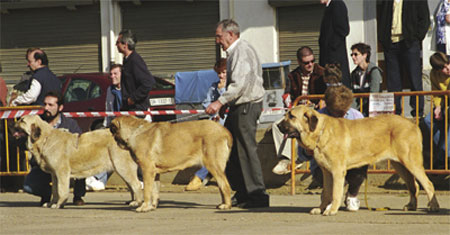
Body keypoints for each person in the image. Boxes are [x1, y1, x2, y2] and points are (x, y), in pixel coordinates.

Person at [206, 19, 269, 208]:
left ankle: (257, 196)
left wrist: (219, 101)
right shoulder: (235, 52)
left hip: (246, 107)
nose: (217, 41)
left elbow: (240, 84)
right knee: (232, 152)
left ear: (230, 35)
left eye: (219, 36)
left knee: (246, 151)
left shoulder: (242, 51)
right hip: (238, 107)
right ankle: (242, 192)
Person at [22, 91, 86, 206]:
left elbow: (80, 145)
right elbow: (26, 145)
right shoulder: (37, 123)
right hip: (44, 167)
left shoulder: (70, 124)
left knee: (81, 161)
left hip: (68, 165)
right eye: (45, 104)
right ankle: (48, 196)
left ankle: (78, 196)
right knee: (28, 185)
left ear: (60, 107)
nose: (46, 108)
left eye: (51, 105)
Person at [272, 46, 327, 175]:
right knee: (276, 126)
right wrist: (289, 102)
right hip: (296, 111)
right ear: (299, 62)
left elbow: (327, 93)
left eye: (312, 61)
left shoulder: (322, 73)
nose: (310, 64)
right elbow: (287, 94)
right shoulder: (292, 75)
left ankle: (301, 157)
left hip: (314, 111)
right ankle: (287, 159)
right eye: (306, 62)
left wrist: (317, 103)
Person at [378, 0, 430, 116]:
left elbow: (425, 19)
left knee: (414, 79)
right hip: (391, 43)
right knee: (393, 82)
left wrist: (416, 38)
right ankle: (395, 113)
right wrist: (383, 37)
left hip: (409, 42)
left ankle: (417, 112)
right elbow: (383, 17)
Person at [185, 58, 227, 191]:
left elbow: (228, 101)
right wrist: (212, 113)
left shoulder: (231, 86)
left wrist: (221, 91)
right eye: (219, 73)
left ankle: (201, 175)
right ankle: (202, 175)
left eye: (224, 72)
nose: (221, 76)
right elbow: (206, 102)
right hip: (215, 124)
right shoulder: (213, 86)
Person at [85, 64, 123, 191]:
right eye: (111, 74)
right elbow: (108, 109)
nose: (112, 77)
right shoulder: (110, 90)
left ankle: (98, 178)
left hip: (128, 127)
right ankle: (98, 179)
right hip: (114, 126)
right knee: (103, 148)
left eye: (115, 73)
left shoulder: (128, 89)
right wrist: (107, 127)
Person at [116, 29, 155, 112]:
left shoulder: (135, 60)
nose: (116, 45)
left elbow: (148, 82)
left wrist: (133, 98)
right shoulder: (127, 60)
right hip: (128, 109)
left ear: (125, 45)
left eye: (117, 42)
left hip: (137, 110)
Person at [424, 52, 450, 168]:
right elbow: (436, 92)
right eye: (443, 68)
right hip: (444, 102)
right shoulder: (434, 74)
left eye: (448, 64)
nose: (447, 68)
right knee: (428, 120)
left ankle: (443, 154)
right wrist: (438, 107)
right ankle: (444, 152)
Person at [318, 0, 351, 88]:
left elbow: (343, 30)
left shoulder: (337, 4)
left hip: (334, 58)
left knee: (336, 86)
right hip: (328, 58)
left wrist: (332, 49)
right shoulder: (329, 7)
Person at [350, 43, 383, 116]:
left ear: (364, 55)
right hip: (358, 112)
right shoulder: (354, 74)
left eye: (355, 54)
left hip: (372, 112)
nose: (353, 57)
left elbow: (374, 94)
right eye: (351, 55)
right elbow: (353, 95)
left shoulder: (374, 71)